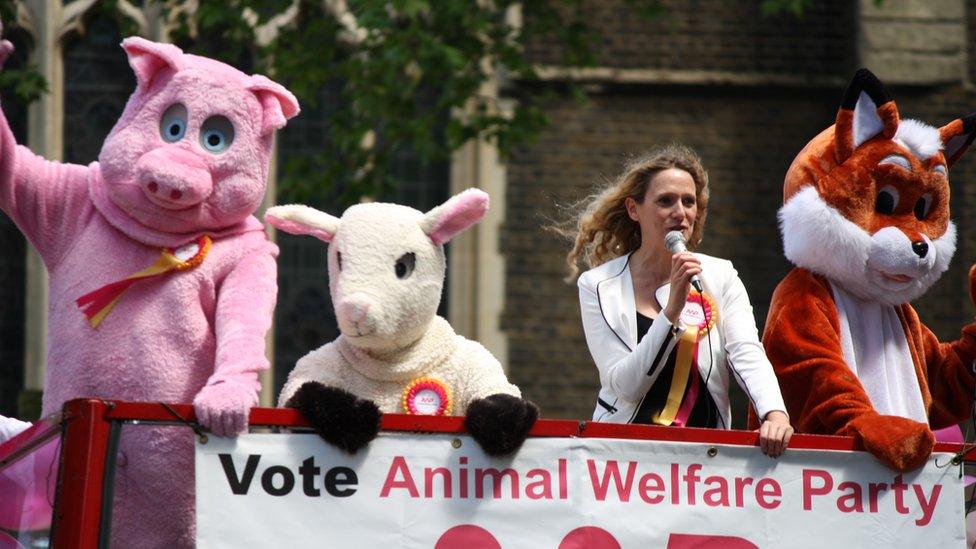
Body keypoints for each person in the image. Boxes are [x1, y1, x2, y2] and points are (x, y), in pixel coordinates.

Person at [562, 144, 793, 457]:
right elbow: (624, 385)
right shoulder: (598, 285)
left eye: (689, 202)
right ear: (634, 209)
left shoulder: (720, 275)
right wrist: (672, 310)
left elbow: (746, 352)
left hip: (703, 453)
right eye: (665, 201)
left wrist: (774, 413)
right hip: (625, 453)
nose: (680, 213)